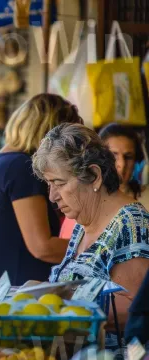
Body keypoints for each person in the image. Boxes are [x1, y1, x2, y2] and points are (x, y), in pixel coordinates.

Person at [32, 123, 149, 333]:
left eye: (59, 182)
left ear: (94, 176)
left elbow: (135, 311)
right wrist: (41, 291)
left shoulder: (131, 223)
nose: (52, 196)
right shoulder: (83, 222)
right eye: (49, 184)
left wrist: (54, 301)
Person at [0, 94, 82, 286]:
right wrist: (96, 250)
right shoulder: (21, 167)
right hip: (16, 292)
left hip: (5, 286)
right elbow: (43, 247)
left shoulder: (5, 160)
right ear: (51, 133)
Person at [60, 123, 149, 239]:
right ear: (100, 158)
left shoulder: (146, 197)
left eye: (128, 157)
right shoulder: (82, 200)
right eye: (114, 155)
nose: (121, 164)